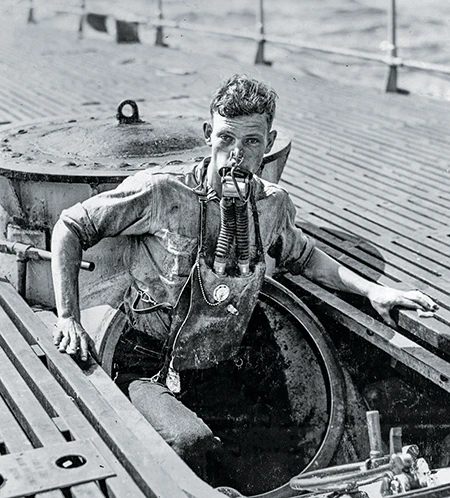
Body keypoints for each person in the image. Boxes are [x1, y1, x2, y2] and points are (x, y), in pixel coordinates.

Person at [51, 74, 437, 474]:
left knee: (278, 453)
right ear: (208, 134)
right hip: (148, 364)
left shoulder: (271, 205)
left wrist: (375, 291)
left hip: (220, 361)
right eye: (225, 139)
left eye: (251, 141)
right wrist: (68, 317)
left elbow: (304, 256)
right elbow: (71, 226)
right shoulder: (163, 193)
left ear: (268, 144)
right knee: (188, 443)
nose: (236, 154)